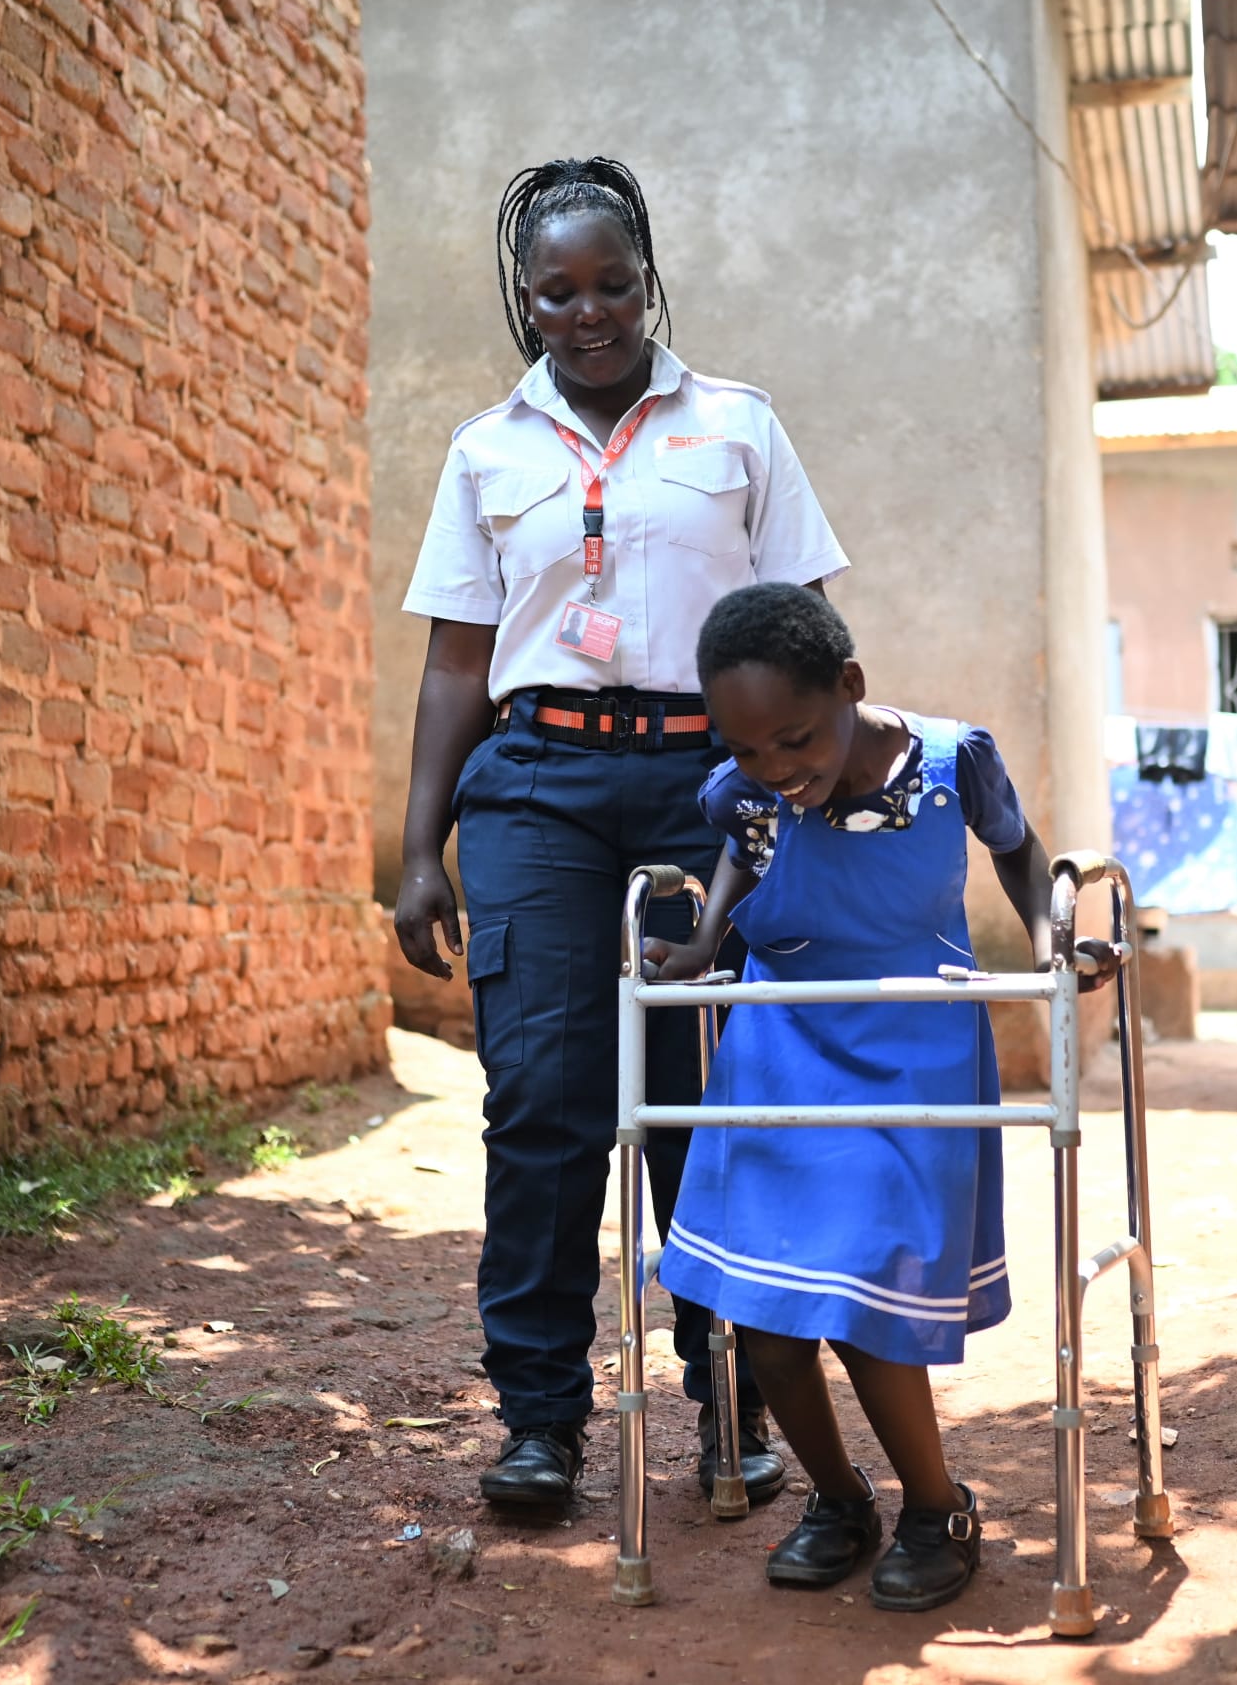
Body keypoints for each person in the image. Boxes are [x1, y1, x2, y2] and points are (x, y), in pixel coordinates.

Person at [394, 158, 850, 1516]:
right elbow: (455, 665)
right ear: (524, 299)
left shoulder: (739, 427)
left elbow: (810, 634)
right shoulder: (487, 450)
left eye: (611, 284)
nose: (586, 312)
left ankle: (733, 1400)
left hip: (710, 782)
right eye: (557, 292)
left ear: (647, 280)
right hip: (536, 785)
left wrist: (817, 799)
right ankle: (540, 1421)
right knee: (542, 1101)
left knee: (701, 1101)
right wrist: (418, 851)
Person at [644, 584, 1108, 1613]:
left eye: (795, 739)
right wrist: (706, 940)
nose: (775, 767)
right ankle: (840, 1498)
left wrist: (1055, 942)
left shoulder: (949, 763)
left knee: (862, 1289)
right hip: (783, 1039)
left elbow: (1017, 849)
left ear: (850, 685)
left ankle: (937, 1508)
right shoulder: (744, 789)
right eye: (747, 746)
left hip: (910, 1043)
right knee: (763, 1314)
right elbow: (744, 850)